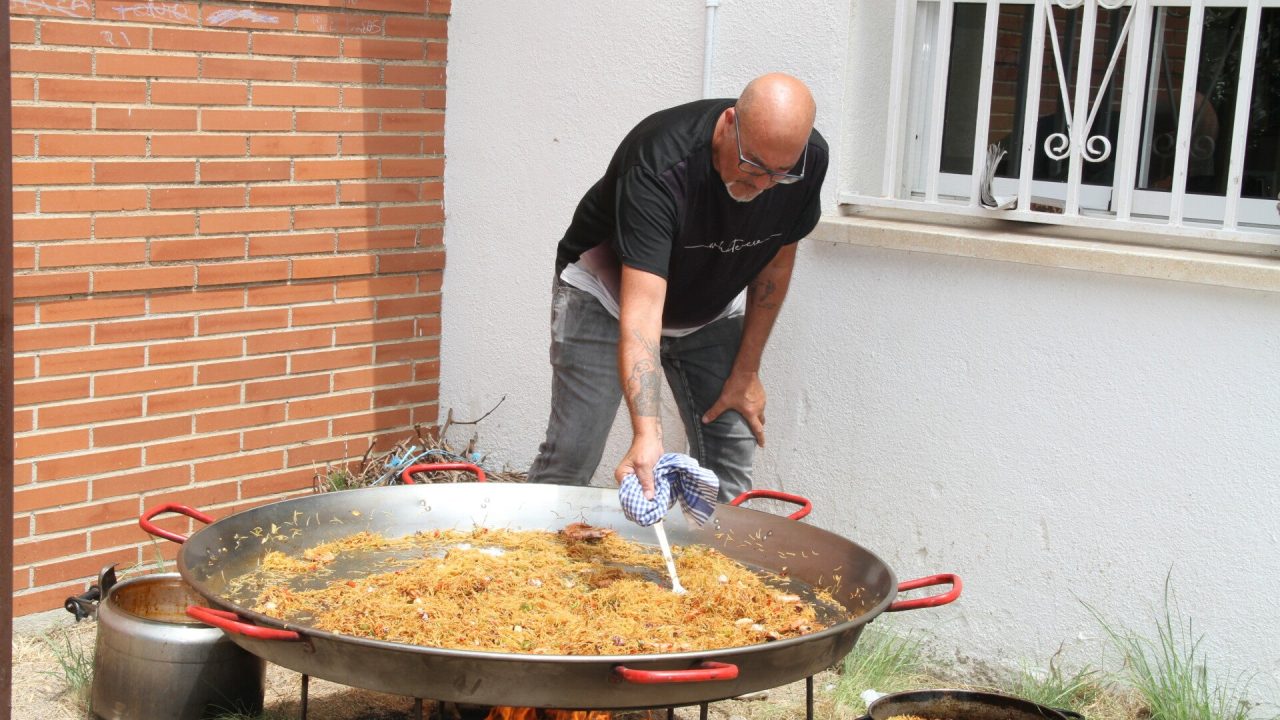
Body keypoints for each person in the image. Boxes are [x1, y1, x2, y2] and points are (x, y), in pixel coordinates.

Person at [527, 72, 828, 503]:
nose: (763, 185)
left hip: (708, 307)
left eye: (779, 174)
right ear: (729, 124)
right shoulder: (659, 163)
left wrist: (746, 373)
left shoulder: (807, 162)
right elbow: (643, 311)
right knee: (574, 452)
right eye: (753, 165)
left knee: (733, 443)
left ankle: (713, 548)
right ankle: (530, 542)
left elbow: (775, 267)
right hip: (608, 297)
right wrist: (646, 433)